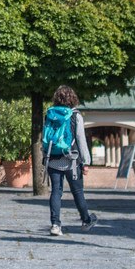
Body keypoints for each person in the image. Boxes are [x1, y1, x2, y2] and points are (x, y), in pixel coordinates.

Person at [43, 85, 98, 236]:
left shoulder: (50, 114)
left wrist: (45, 157)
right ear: (72, 98)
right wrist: (86, 162)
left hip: (53, 158)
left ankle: (55, 225)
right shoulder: (76, 116)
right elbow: (81, 140)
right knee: (78, 191)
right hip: (72, 160)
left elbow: (46, 137)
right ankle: (86, 220)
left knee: (56, 191)